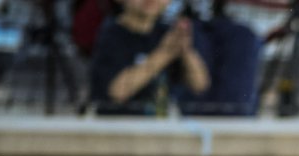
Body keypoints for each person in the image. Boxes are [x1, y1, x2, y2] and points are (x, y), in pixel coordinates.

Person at [89, 0, 261, 117]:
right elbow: (117, 92)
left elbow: (200, 84)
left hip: (155, 127)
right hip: (117, 124)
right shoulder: (113, 34)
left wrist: (186, 52)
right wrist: (164, 54)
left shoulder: (165, 32)